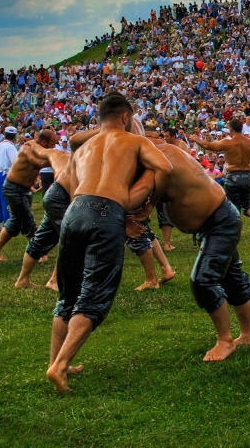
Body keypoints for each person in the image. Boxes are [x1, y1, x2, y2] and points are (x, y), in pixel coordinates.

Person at [47, 93, 173, 392]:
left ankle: (54, 360)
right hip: (107, 211)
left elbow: (74, 188)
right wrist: (150, 204)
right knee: (95, 293)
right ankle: (61, 365)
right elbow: (165, 169)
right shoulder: (135, 141)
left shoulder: (83, 148)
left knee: (68, 293)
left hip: (74, 212)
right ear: (126, 117)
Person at [132, 142, 250, 362]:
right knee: (233, 277)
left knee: (203, 280)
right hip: (215, 220)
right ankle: (248, 336)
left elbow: (136, 195)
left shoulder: (159, 159)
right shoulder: (155, 155)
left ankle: (225, 341)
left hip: (221, 221)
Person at [0, 130, 58, 262]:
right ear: (43, 142)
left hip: (23, 189)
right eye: (52, 144)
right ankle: (38, 253)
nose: (54, 147)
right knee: (28, 221)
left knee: (15, 222)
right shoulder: (28, 147)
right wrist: (62, 157)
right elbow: (39, 163)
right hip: (13, 188)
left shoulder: (38, 149)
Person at [191, 119, 250, 234]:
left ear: (231, 129)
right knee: (248, 202)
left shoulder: (227, 142)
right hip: (246, 176)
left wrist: (196, 139)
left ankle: (236, 229)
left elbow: (208, 145)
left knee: (233, 205)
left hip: (232, 177)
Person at [14, 145, 70, 289]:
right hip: (63, 196)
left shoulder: (59, 154)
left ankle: (22, 280)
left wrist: (31, 144)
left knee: (42, 238)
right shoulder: (84, 159)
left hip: (53, 193)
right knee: (70, 238)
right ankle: (54, 281)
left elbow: (40, 153)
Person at [0, 126, 19, 231]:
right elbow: (15, 161)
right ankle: (8, 225)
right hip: (5, 174)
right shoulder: (10, 147)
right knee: (7, 200)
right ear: (14, 135)